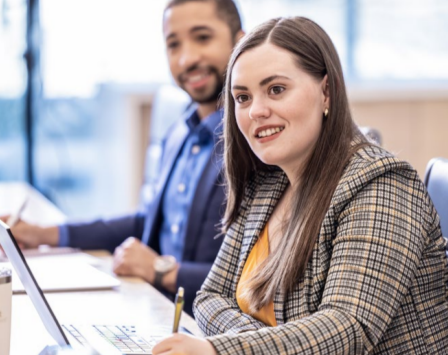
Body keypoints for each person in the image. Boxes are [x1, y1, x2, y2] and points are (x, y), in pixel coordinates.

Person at [152, 17, 448, 355]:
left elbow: (345, 330)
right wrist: (256, 341)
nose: (256, 111)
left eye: (276, 89)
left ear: (326, 91)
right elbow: (208, 298)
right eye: (243, 97)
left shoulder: (383, 186)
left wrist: (221, 350)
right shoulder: (266, 183)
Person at [0, 0, 244, 316]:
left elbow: (256, 278)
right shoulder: (180, 130)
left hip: (206, 328)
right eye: (173, 44)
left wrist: (162, 270)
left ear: (240, 41)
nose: (187, 58)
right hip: (156, 307)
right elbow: (145, 221)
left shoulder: (253, 144)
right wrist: (45, 234)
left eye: (202, 37)